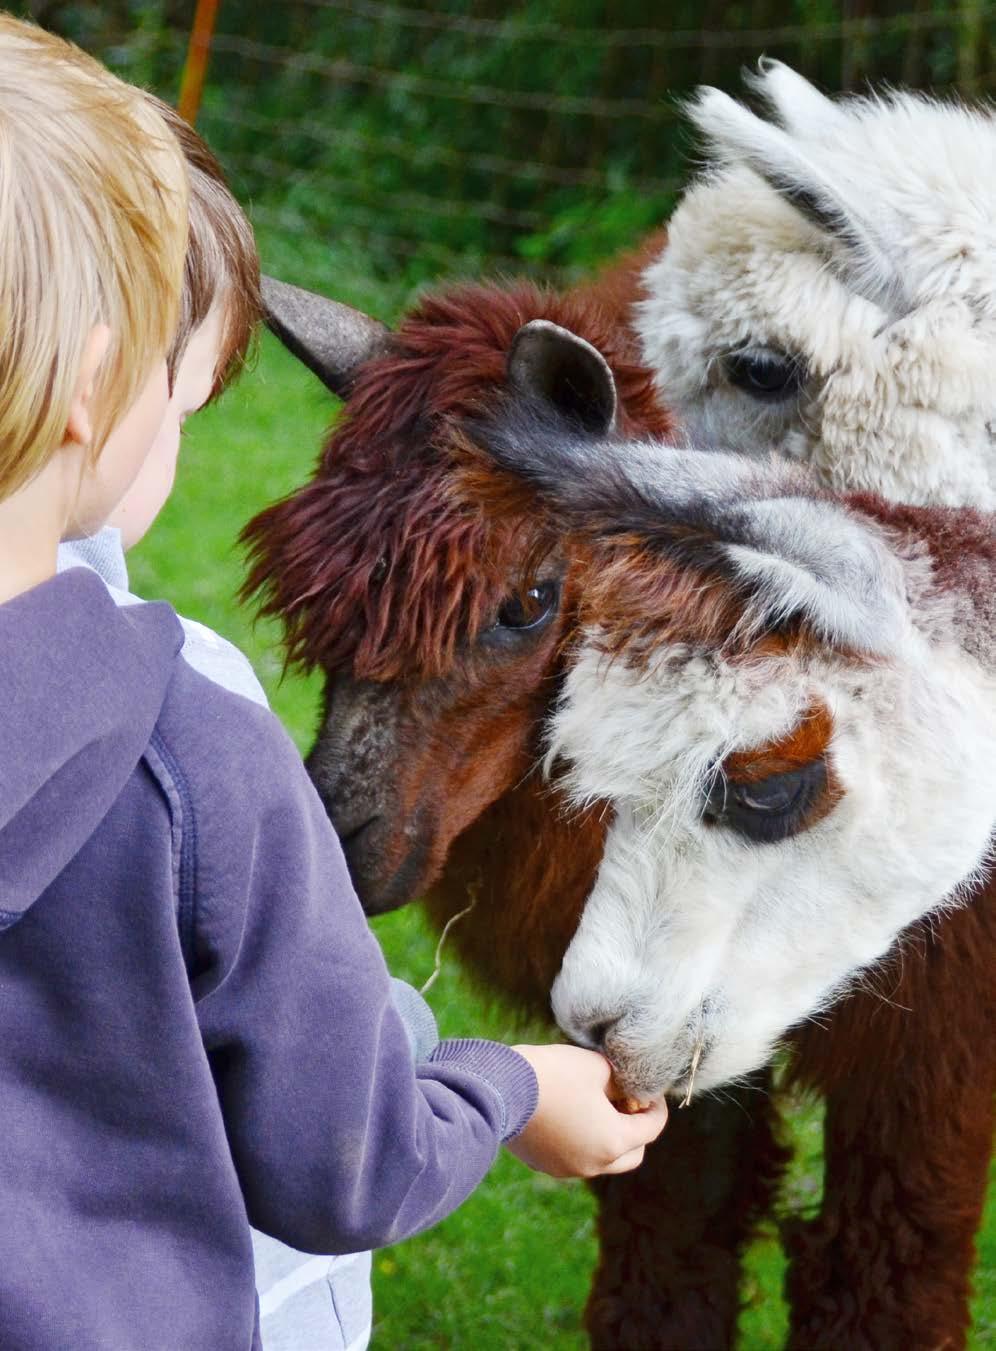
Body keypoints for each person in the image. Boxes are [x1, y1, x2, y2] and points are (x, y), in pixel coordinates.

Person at [0, 16, 668, 1351]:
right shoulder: (187, 752)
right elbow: (344, 1156)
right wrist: (506, 1090)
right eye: (177, 392)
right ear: (91, 388)